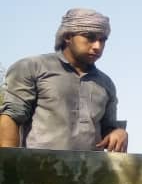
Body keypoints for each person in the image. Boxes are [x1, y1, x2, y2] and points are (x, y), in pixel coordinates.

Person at [0, 8, 128, 152]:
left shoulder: (106, 83)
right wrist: (7, 167)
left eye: (102, 40)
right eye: (90, 37)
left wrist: (119, 132)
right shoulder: (32, 67)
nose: (97, 46)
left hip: (90, 171)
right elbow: (11, 116)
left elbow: (108, 129)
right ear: (68, 36)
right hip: (37, 169)